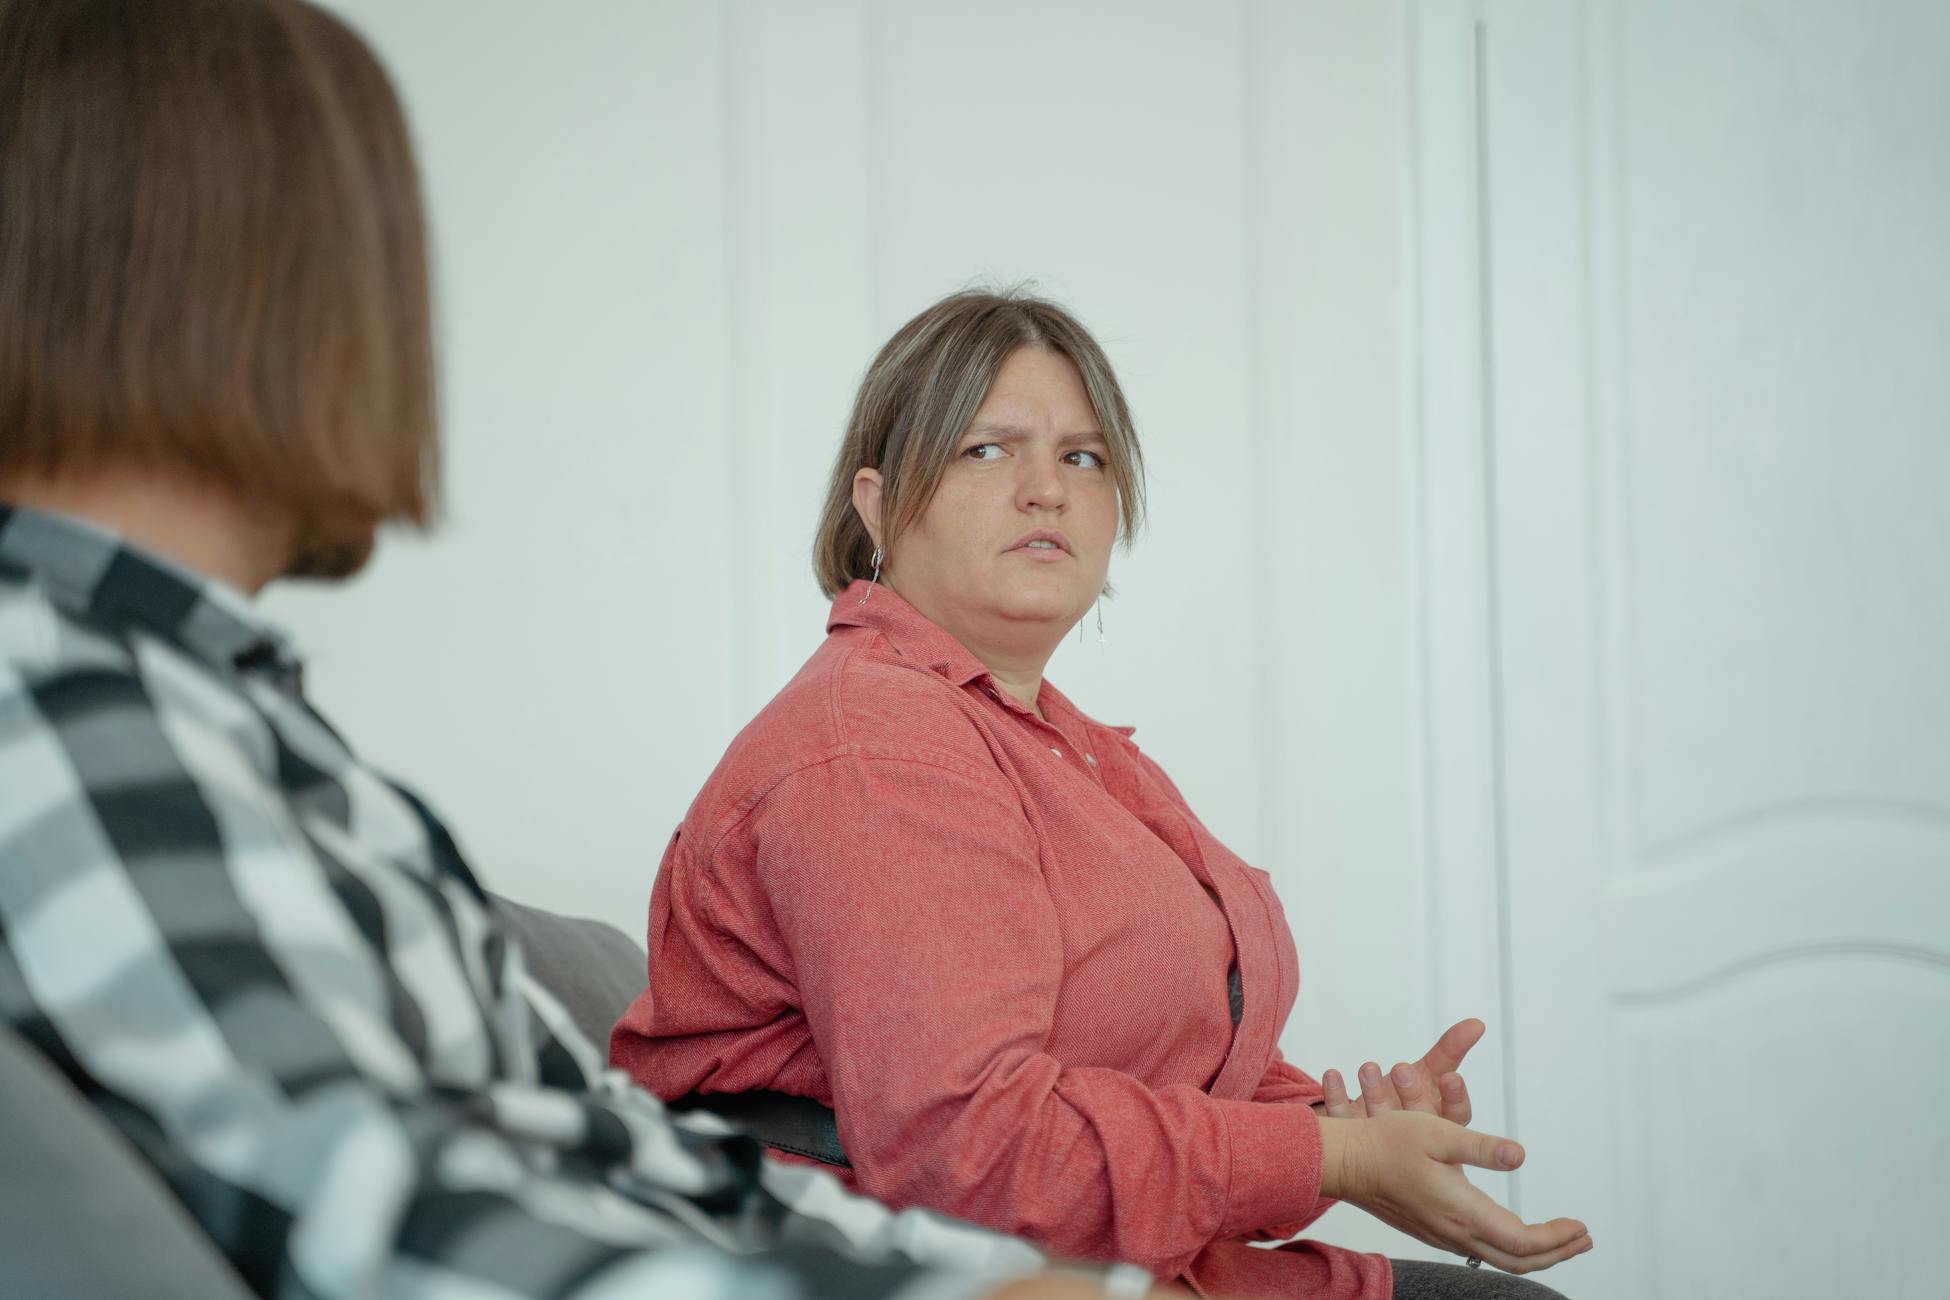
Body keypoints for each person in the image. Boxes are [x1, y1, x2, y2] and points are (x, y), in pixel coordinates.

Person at [0, 4, 1164, 1298]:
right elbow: (380, 1218)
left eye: (1080, 457)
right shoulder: (62, 703)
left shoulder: (213, 711)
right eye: (373, 259)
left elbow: (626, 1160)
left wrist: (992, 1278)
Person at [612, 289, 1594, 1299]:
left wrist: (1351, 1131)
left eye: (1083, 458)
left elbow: (1169, 1064)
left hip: (1124, 1258)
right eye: (987, 450)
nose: (1048, 489)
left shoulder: (1064, 748)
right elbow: (969, 1155)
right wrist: (1329, 1162)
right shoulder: (877, 742)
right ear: (874, 503)